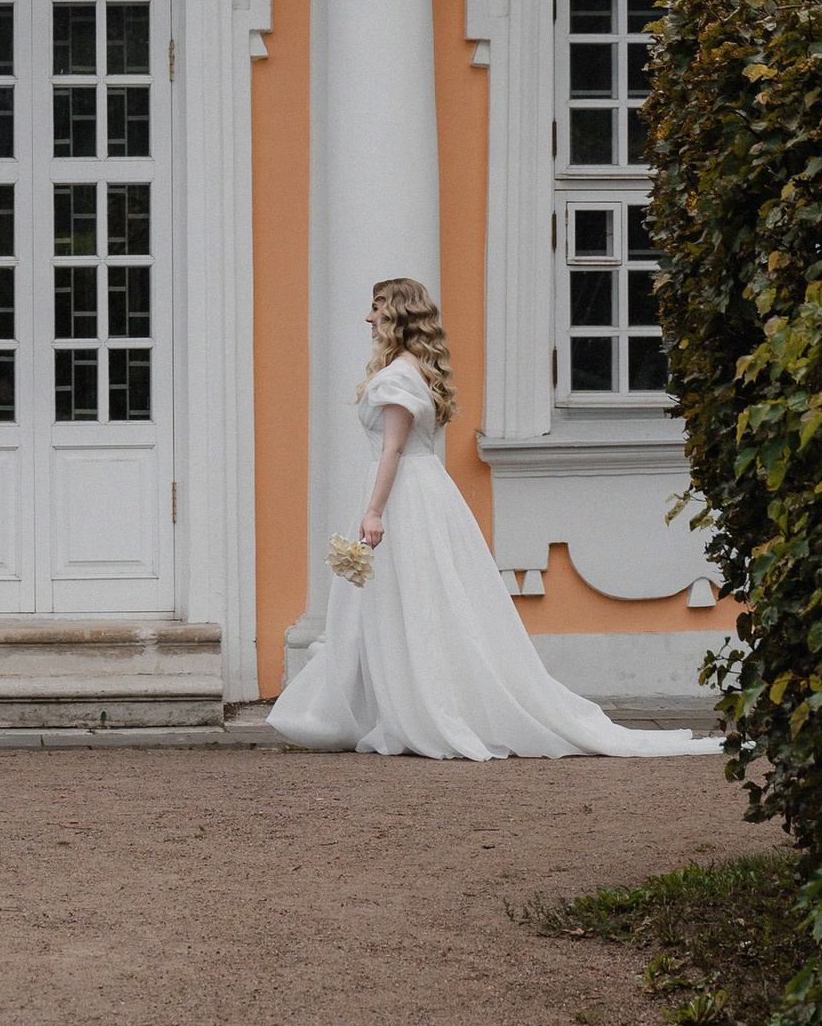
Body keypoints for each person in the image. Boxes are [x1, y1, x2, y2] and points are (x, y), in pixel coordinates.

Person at [269, 277, 720, 762]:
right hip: (419, 491)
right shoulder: (413, 371)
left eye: (376, 307)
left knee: (417, 598)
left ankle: (424, 708)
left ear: (397, 314)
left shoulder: (400, 377)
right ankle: (395, 703)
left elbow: (394, 449)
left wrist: (374, 510)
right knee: (412, 598)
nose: (368, 317)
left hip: (404, 494)